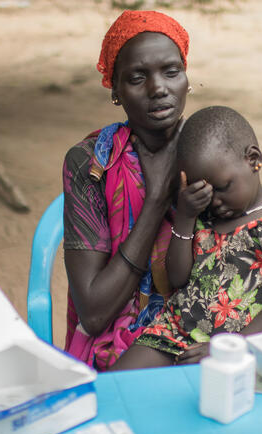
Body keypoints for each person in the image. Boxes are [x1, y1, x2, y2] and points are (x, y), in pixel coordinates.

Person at [110, 106, 262, 370]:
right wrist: (185, 216)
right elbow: (177, 277)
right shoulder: (204, 219)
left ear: (253, 159)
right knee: (115, 385)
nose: (214, 201)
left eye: (222, 187)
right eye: (203, 190)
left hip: (239, 348)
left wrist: (231, 347)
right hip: (171, 335)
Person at [62, 10, 191, 370]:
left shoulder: (212, 148)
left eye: (171, 71)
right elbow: (94, 311)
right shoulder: (92, 164)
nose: (158, 88)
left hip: (204, 322)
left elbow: (248, 248)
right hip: (121, 341)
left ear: (186, 77)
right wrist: (157, 200)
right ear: (116, 90)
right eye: (137, 77)